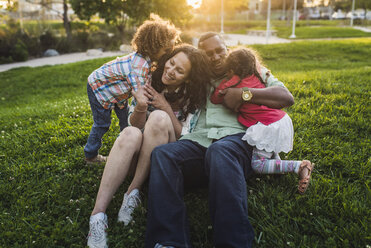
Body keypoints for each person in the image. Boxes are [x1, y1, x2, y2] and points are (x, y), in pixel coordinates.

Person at [145, 32, 296, 248]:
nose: (215, 57)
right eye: (208, 54)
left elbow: (286, 97)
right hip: (199, 142)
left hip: (235, 142)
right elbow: (168, 67)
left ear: (227, 49)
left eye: (219, 51)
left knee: (220, 151)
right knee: (163, 154)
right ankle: (167, 241)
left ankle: (233, 243)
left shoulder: (250, 70)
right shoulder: (198, 78)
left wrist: (244, 94)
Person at [87, 45, 211, 248]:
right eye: (171, 63)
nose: (170, 71)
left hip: (164, 159)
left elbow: (185, 138)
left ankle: (132, 192)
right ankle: (98, 216)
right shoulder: (148, 78)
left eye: (179, 71)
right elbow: (134, 124)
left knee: (160, 117)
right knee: (130, 132)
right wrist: (141, 107)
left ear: (188, 78)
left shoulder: (193, 97)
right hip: (138, 156)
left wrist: (165, 107)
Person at [210, 47, 313, 194]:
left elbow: (215, 98)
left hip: (267, 124)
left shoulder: (232, 81)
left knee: (258, 165)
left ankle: (298, 166)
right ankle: (278, 170)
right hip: (279, 119)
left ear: (231, 70)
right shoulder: (257, 77)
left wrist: (227, 89)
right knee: (270, 151)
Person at [84, 14, 180, 164]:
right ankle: (90, 155)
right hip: (100, 89)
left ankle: (127, 147)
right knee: (102, 123)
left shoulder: (145, 60)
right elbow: (140, 95)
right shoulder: (139, 65)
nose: (168, 53)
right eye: (167, 50)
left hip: (118, 93)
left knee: (125, 120)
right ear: (154, 47)